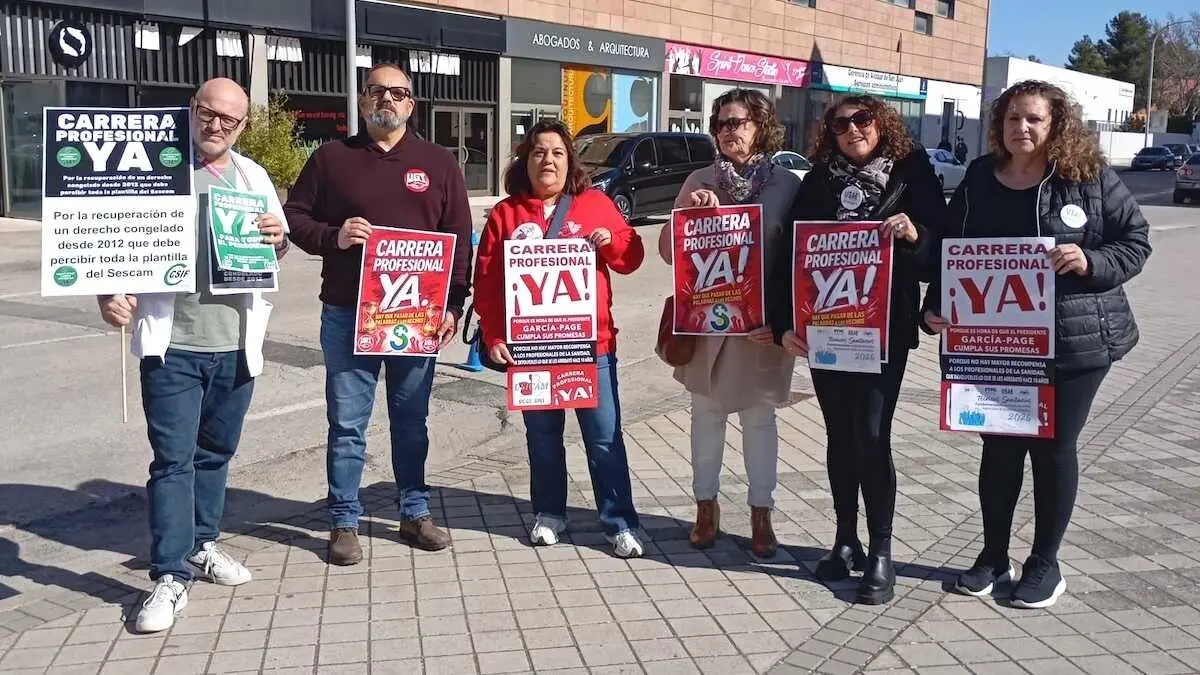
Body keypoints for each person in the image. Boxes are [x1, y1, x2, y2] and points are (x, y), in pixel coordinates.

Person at [922, 80, 1151, 609]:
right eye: (1011, 119)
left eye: (1033, 120)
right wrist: (936, 305)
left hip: (1073, 341)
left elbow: (1136, 241)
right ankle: (992, 556)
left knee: (1052, 449)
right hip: (994, 341)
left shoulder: (1086, 177)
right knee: (998, 449)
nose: (1021, 128)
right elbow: (955, 249)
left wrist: (1091, 262)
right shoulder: (981, 176)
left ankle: (1045, 563)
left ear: (1055, 125)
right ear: (998, 125)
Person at [98, 78, 290, 632]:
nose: (216, 126)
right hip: (173, 345)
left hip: (234, 343)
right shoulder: (151, 169)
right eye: (208, 113)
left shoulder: (252, 176)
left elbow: (276, 244)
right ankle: (169, 576)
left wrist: (277, 236)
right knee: (174, 462)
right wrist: (107, 294)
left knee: (215, 455)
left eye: (229, 120)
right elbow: (108, 237)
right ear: (192, 110)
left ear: (243, 126)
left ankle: (204, 545)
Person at [284, 63, 473, 564]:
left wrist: (454, 304)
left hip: (416, 315)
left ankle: (414, 511)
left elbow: (458, 240)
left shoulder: (438, 162)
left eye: (398, 93)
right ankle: (344, 520)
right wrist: (335, 236)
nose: (386, 99)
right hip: (348, 313)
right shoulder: (331, 158)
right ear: (363, 100)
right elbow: (295, 219)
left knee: (411, 421)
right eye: (376, 91)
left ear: (411, 104)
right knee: (348, 423)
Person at [768, 95, 947, 604]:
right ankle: (845, 538)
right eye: (841, 123)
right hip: (827, 333)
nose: (852, 129)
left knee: (871, 435)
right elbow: (790, 254)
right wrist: (784, 325)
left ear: (880, 123)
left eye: (862, 119)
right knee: (838, 437)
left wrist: (915, 237)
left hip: (883, 332)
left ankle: (881, 550)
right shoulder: (819, 178)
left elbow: (945, 247)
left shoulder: (912, 174)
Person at [473, 120, 647, 558]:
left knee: (604, 437)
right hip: (533, 350)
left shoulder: (594, 204)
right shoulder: (505, 214)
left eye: (556, 152)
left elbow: (632, 258)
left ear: (569, 161)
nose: (546, 160)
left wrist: (611, 243)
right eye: (537, 152)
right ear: (524, 161)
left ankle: (619, 521)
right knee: (543, 438)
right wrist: (493, 332)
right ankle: (549, 512)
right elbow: (488, 280)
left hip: (592, 347)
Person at [657, 88, 801, 559]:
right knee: (706, 418)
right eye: (721, 124)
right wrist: (687, 215)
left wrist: (783, 321)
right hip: (707, 328)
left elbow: (799, 260)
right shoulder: (700, 178)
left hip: (760, 330)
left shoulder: (785, 185)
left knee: (759, 422)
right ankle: (706, 507)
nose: (729, 131)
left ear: (761, 126)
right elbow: (666, 249)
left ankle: (762, 513)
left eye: (738, 122)